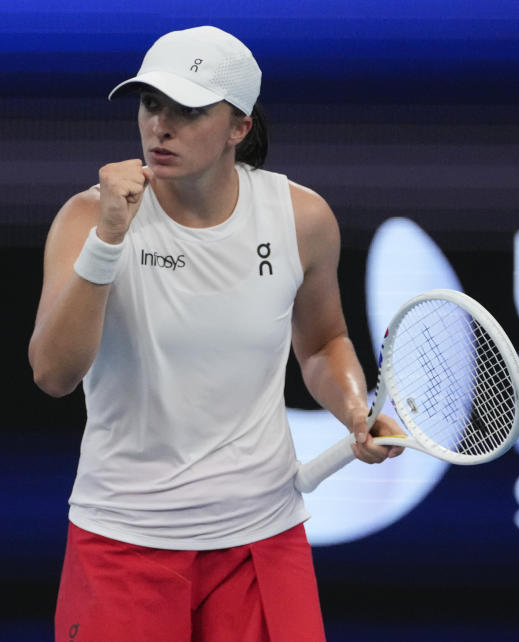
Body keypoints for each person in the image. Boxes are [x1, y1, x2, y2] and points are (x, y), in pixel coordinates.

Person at [28, 25, 402, 641]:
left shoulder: (301, 218)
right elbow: (52, 374)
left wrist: (355, 412)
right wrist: (108, 241)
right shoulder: (90, 217)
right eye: (151, 103)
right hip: (123, 540)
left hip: (261, 543)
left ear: (239, 127)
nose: (160, 126)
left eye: (190, 110)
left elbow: (321, 343)